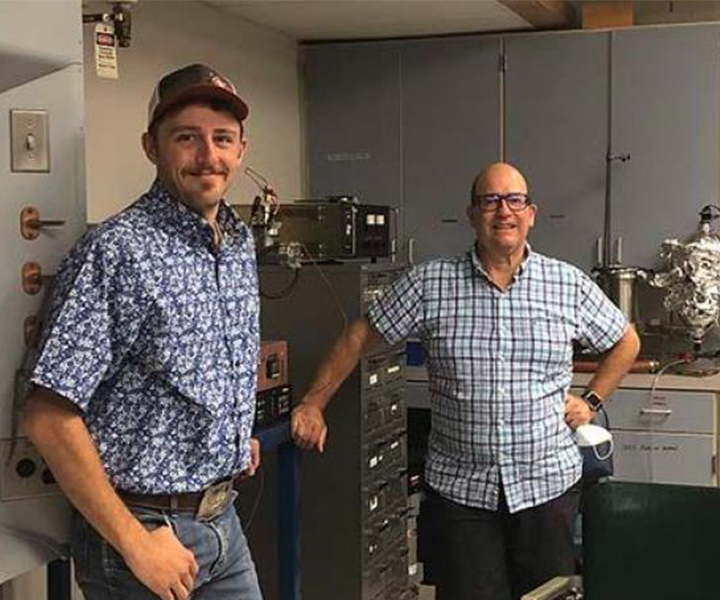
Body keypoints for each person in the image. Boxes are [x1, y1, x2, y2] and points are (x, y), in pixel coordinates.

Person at [292, 162, 641, 600]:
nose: (503, 211)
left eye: (515, 200)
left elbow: (626, 341)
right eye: (490, 200)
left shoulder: (567, 284)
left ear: (531, 213)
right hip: (461, 496)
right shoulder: (429, 283)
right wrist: (312, 403)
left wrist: (591, 399)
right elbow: (360, 334)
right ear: (472, 214)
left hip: (546, 488)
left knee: (549, 596)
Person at [23, 64, 263, 600]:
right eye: (186, 138)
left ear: (241, 150)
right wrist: (136, 543)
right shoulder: (118, 251)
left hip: (223, 522)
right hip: (145, 535)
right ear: (152, 147)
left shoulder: (237, 244)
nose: (208, 155)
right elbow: (48, 414)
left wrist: (229, 430)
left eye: (222, 139)